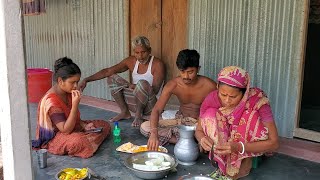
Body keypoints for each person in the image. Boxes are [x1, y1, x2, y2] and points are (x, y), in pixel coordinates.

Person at [195, 66, 279, 179]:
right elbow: (198, 130)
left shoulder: (257, 101)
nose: (227, 100)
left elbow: (274, 143)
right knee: (210, 114)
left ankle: (245, 162)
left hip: (244, 145)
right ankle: (222, 162)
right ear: (217, 87)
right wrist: (202, 139)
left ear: (245, 93)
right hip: (224, 144)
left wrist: (239, 147)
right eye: (223, 94)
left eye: (233, 96)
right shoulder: (212, 99)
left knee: (251, 115)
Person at [32, 57, 111, 158]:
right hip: (55, 136)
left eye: (77, 82)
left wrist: (84, 126)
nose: (75, 86)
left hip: (72, 126)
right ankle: (87, 142)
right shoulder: (51, 101)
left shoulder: (67, 91)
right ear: (60, 81)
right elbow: (65, 130)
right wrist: (75, 105)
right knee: (79, 141)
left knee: (104, 125)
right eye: (72, 82)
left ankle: (89, 138)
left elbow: (76, 119)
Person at [79, 36, 165, 127]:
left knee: (142, 83)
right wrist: (86, 80)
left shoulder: (157, 64)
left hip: (150, 107)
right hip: (135, 102)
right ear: (134, 52)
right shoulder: (131, 61)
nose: (140, 56)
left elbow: (155, 90)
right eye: (137, 53)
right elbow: (108, 71)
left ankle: (138, 115)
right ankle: (125, 112)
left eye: (143, 52)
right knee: (111, 77)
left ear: (149, 50)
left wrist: (136, 86)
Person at [142, 49, 217, 150]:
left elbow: (219, 112)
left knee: (215, 137)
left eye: (190, 72)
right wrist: (154, 134)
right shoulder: (173, 85)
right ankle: (190, 141)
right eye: (182, 71)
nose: (186, 76)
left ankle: (190, 139)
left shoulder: (210, 85)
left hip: (200, 125)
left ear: (198, 69)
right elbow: (157, 110)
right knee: (145, 127)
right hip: (181, 121)